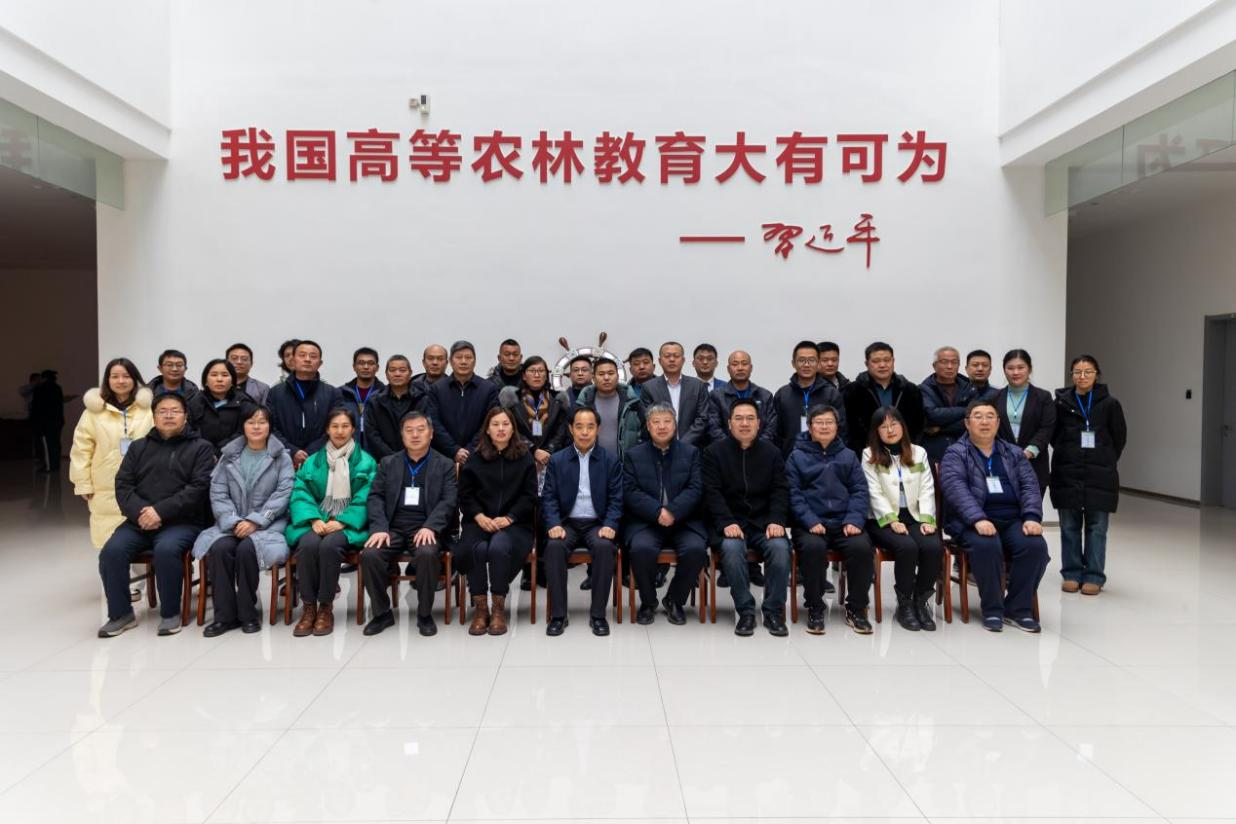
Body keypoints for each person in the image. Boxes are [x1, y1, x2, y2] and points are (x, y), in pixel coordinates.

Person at [96, 393, 215, 637]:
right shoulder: (139, 447)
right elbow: (123, 485)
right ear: (154, 416)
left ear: (185, 416)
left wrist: (159, 512)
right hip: (139, 520)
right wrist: (142, 513)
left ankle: (170, 613)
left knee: (166, 550)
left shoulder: (201, 448)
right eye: (162, 411)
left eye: (175, 411)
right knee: (111, 552)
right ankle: (120, 614)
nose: (168, 415)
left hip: (183, 521)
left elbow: (198, 489)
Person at [941, 399, 1050, 632]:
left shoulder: (1013, 452)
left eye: (990, 416)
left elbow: (1029, 486)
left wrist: (1032, 516)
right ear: (967, 423)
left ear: (998, 422)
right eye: (978, 416)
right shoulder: (956, 453)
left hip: (1012, 519)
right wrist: (978, 519)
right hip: (970, 522)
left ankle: (1018, 609)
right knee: (987, 545)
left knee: (1035, 546)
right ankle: (992, 609)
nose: (984, 421)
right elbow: (955, 489)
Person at [193, 406, 294, 636]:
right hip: (232, 524)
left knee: (248, 549)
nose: (256, 427)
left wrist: (255, 522)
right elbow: (218, 493)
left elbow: (283, 494)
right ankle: (224, 616)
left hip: (269, 524)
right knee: (220, 548)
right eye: (251, 422)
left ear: (270, 426)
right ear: (243, 426)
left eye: (262, 422)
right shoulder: (229, 456)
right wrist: (234, 522)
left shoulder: (282, 458)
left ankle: (248, 613)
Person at [361, 410, 457, 636]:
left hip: (426, 527)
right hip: (392, 528)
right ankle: (382, 613)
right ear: (402, 435)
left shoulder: (445, 465)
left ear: (431, 434)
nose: (415, 435)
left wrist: (430, 526)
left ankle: (424, 614)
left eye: (421, 430)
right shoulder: (388, 463)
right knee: (370, 554)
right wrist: (379, 528)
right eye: (409, 430)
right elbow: (375, 497)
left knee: (427, 553)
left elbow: (449, 500)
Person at [702, 399, 792, 637]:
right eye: (739, 418)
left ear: (759, 423)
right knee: (731, 549)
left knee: (780, 548)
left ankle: (773, 612)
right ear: (729, 423)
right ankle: (746, 612)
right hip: (729, 523)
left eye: (750, 418)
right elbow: (711, 493)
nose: (744, 423)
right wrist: (726, 522)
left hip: (764, 523)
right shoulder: (713, 453)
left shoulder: (772, 453)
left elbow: (780, 490)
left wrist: (776, 520)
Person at [286, 408, 377, 637]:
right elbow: (300, 492)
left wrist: (344, 521)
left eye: (345, 426)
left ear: (353, 429)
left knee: (329, 546)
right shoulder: (313, 461)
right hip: (315, 520)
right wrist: (314, 518)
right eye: (334, 426)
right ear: (327, 429)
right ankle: (309, 608)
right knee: (307, 545)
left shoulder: (366, 462)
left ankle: (325, 608)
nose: (340, 431)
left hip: (348, 524)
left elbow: (368, 496)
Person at [786, 405, 874, 635]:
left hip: (844, 522)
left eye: (829, 422)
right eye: (819, 422)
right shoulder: (797, 456)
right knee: (812, 549)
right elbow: (793, 493)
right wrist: (809, 520)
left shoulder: (848, 456)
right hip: (811, 523)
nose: (824, 427)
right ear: (810, 427)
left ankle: (856, 608)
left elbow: (859, 490)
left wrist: (854, 520)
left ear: (837, 426)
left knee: (862, 548)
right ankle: (815, 607)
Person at [540, 406, 623, 637]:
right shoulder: (557, 460)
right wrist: (553, 524)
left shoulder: (610, 460)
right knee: (554, 547)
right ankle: (558, 615)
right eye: (579, 427)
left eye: (590, 427)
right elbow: (549, 497)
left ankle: (598, 615)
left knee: (605, 547)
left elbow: (617, 498)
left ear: (598, 429)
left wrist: (610, 524)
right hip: (567, 522)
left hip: (597, 523)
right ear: (571, 429)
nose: (584, 432)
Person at [454, 407, 538, 635]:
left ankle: (498, 608)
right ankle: (481, 609)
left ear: (513, 429)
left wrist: (509, 518)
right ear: (487, 430)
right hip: (478, 521)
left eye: (505, 424)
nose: (501, 429)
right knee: (477, 548)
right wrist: (479, 516)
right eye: (495, 424)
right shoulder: (475, 459)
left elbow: (530, 496)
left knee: (499, 547)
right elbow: (465, 496)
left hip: (515, 524)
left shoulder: (525, 458)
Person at [623, 403, 707, 625]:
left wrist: (673, 511)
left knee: (696, 550)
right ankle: (648, 602)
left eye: (667, 421)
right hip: (647, 522)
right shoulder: (633, 455)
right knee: (640, 549)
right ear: (648, 426)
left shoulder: (691, 453)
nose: (662, 427)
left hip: (684, 521)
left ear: (675, 424)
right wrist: (657, 511)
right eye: (656, 422)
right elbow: (630, 491)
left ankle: (674, 600)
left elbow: (696, 488)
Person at [1050, 355, 1127, 596]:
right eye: (1077, 372)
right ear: (1071, 375)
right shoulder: (1060, 403)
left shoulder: (1110, 404)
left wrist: (1104, 457)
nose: (1082, 376)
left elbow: (1119, 438)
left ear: (1097, 374)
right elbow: (1054, 435)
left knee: (1097, 527)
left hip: (1099, 473)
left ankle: (1094, 575)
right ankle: (1072, 573)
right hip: (1067, 470)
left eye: (1088, 372)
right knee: (1069, 526)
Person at [862, 406, 943, 632]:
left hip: (915, 516)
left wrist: (927, 520)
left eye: (894, 424)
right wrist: (891, 520)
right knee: (907, 547)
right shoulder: (869, 455)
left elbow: (927, 488)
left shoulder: (919, 452)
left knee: (933, 547)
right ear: (876, 431)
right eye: (883, 426)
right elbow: (873, 492)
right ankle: (905, 604)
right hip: (882, 520)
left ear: (903, 426)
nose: (890, 430)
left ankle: (921, 601)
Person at [71, 358, 155, 550]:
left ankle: (142, 567)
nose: (121, 381)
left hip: (143, 481)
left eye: (126, 376)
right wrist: (83, 483)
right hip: (105, 482)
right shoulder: (93, 412)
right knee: (107, 534)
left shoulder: (148, 410)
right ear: (107, 380)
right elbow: (81, 449)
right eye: (115, 376)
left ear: (134, 379)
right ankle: (113, 567)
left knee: (143, 529)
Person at [266, 340, 345, 470]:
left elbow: (336, 427)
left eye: (313, 356)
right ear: (293, 360)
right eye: (302, 355)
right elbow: (270, 427)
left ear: (320, 363)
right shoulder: (275, 392)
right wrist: (292, 451)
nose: (307, 359)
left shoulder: (332, 393)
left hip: (322, 460)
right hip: (283, 459)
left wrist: (311, 452)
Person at [843, 341, 924, 453]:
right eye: (876, 361)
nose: (882, 365)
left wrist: (909, 447)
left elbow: (918, 424)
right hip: (867, 452)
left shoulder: (909, 390)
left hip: (905, 451)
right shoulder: (853, 391)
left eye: (887, 360)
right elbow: (850, 426)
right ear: (867, 364)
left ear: (893, 361)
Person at [427, 340, 500, 466]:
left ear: (475, 361)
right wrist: (454, 450)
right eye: (459, 357)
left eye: (468, 357)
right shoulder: (437, 389)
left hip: (480, 456)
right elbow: (433, 422)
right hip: (442, 457)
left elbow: (490, 422)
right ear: (450, 361)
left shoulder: (489, 389)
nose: (463, 361)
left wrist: (469, 450)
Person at [994, 349, 1054, 496]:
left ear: (1029, 369)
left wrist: (1029, 452)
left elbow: (1047, 428)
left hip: (1034, 464)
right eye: (1010, 368)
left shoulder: (1043, 397)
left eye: (1020, 367)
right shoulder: (995, 397)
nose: (1015, 372)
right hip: (1003, 463)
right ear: (1004, 370)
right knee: (1004, 508)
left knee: (1031, 508)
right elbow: (992, 429)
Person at [773, 340, 847, 459]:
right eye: (801, 360)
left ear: (818, 363)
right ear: (793, 363)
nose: (806, 365)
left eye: (812, 360)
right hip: (790, 459)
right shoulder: (782, 394)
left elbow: (841, 430)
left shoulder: (831, 394)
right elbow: (776, 433)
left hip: (825, 460)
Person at [498, 356, 570, 472]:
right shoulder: (512, 399)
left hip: (551, 459)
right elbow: (510, 429)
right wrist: (533, 450)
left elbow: (561, 431)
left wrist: (547, 451)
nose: (537, 375)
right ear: (524, 376)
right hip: (519, 458)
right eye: (532, 371)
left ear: (546, 375)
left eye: (541, 371)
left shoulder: (558, 399)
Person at [639, 341, 712, 447]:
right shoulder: (649, 387)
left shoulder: (697, 385)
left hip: (692, 447)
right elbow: (647, 420)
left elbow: (703, 418)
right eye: (667, 356)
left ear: (683, 360)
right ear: (660, 361)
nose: (672, 359)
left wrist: (682, 445)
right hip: (659, 448)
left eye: (676, 356)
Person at [920, 346, 978, 466]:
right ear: (934, 366)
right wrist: (966, 410)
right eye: (944, 362)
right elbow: (933, 415)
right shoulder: (924, 389)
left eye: (954, 362)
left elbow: (973, 419)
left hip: (967, 447)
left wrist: (940, 428)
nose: (950, 366)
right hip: (935, 449)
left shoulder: (970, 387)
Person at [188, 359, 260, 456]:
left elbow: (245, 432)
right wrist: (206, 452)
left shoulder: (244, 402)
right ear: (205, 381)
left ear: (232, 381)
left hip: (236, 456)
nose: (219, 379)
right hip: (201, 455)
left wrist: (220, 451)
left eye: (225, 375)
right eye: (214, 375)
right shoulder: (194, 402)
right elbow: (189, 431)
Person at [364, 354, 430, 460]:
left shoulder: (422, 399)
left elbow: (427, 430)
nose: (397, 374)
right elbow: (372, 434)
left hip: (417, 458)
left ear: (410, 373)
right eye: (392, 370)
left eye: (402, 370)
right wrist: (393, 458)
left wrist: (409, 455)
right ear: (386, 374)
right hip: (384, 460)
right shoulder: (374, 401)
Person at [575, 357, 643, 460]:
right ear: (593, 378)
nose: (606, 378)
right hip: (591, 462)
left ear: (618, 376)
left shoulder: (632, 402)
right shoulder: (583, 403)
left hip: (626, 463)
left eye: (611, 373)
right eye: (601, 374)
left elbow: (643, 433)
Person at [710, 350, 778, 444]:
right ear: (728, 369)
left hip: (760, 449)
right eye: (735, 364)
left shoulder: (765, 395)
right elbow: (714, 428)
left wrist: (756, 447)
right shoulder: (716, 396)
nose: (740, 368)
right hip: (726, 450)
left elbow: (771, 428)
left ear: (751, 368)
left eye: (744, 364)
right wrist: (731, 448)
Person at [342, 347, 384, 452]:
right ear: (354, 367)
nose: (366, 367)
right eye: (361, 363)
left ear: (377, 367)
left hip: (377, 452)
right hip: (347, 450)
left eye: (370, 363)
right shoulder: (341, 393)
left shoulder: (385, 394)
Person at [30, 368, 66, 472]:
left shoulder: (40, 389)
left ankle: (49, 466)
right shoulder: (57, 388)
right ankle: (55, 465)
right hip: (57, 421)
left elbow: (36, 407)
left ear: (44, 378)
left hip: (45, 422)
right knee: (56, 444)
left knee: (47, 445)